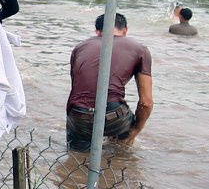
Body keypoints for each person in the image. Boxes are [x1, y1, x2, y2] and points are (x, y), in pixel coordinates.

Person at [64, 12, 153, 150]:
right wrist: (135, 131)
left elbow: (77, 89)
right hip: (114, 116)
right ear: (125, 30)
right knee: (121, 156)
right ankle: (119, 160)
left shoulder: (80, 47)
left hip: (79, 114)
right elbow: (146, 103)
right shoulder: (140, 49)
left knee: (76, 161)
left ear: (97, 31)